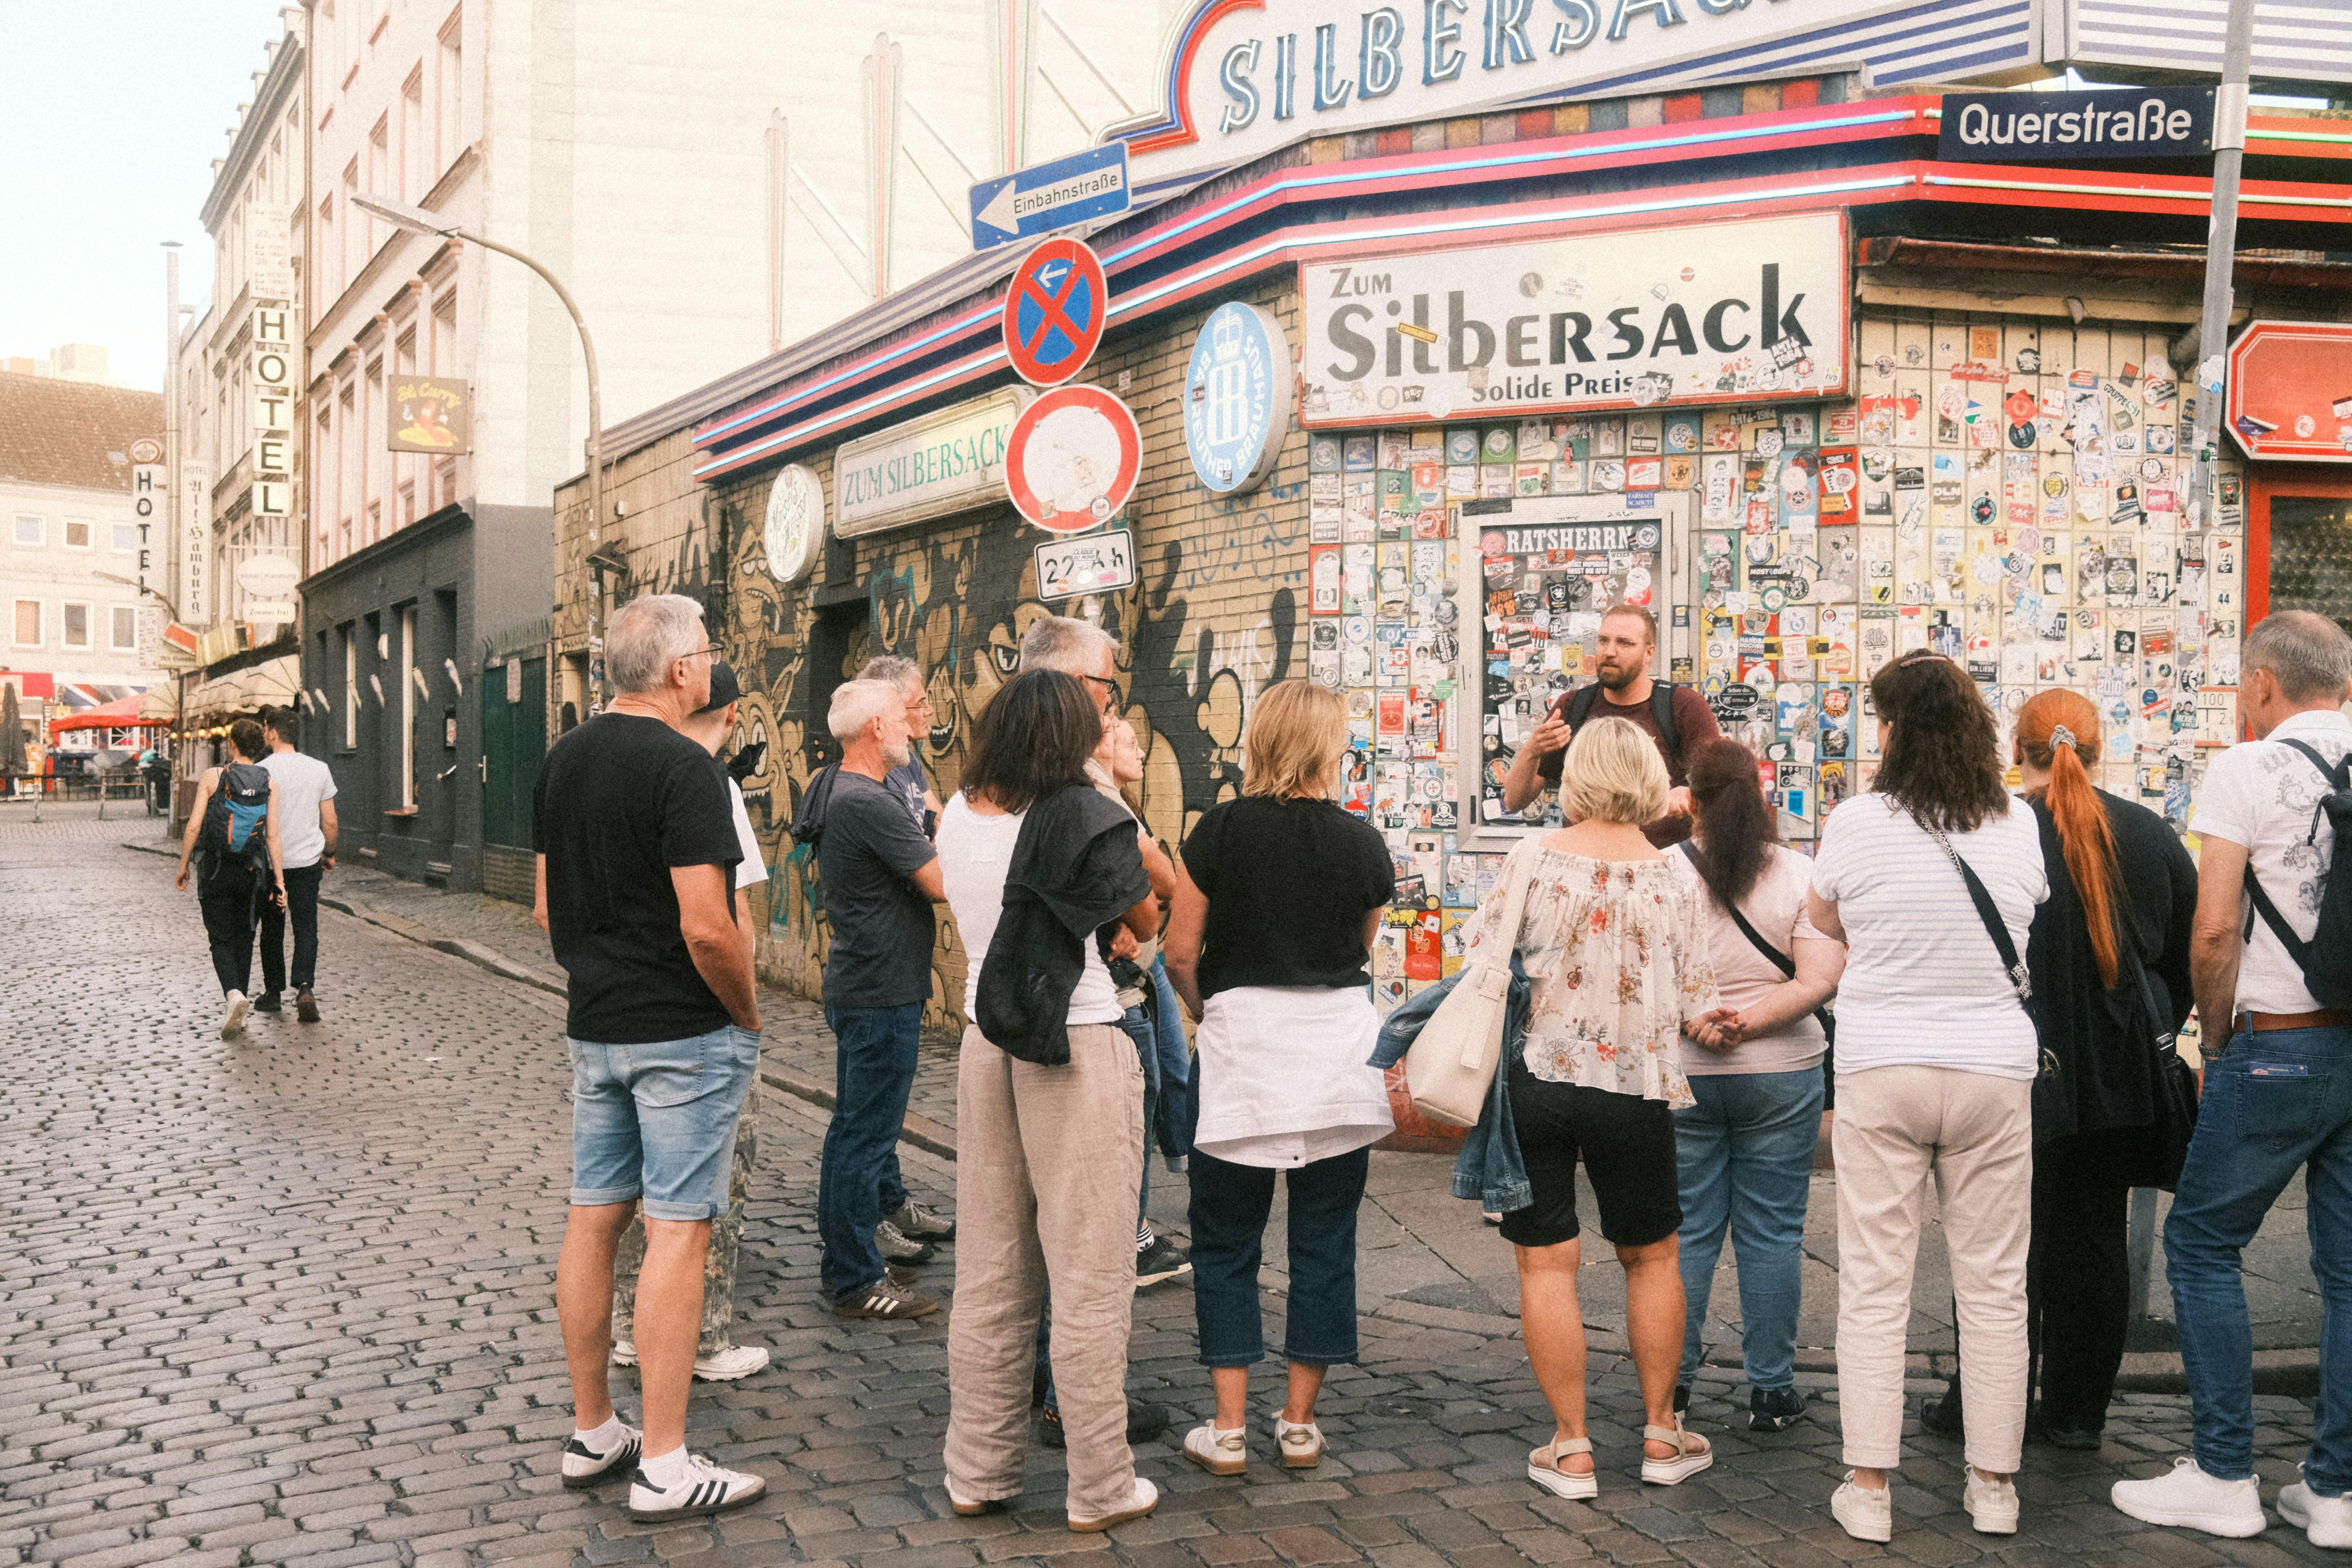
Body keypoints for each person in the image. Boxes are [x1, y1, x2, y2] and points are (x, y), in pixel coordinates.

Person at [2115, 610, 2352, 1548]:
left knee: (2204, 1244)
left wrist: (2214, 1043)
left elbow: (2213, 928)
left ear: (2263, 683)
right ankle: (2332, 1492)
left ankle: (2221, 1472)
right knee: (2346, 1274)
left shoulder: (2247, 768)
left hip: (2279, 1043)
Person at [532, 593, 766, 1524]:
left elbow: (550, 912)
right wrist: (744, 1013)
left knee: (595, 1220)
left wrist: (600, 980)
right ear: (679, 672)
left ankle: (596, 1429)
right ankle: (666, 1463)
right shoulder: (688, 769)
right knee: (679, 1228)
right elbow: (708, 925)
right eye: (707, 651)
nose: (711, 664)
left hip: (598, 1025)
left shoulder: (563, 760)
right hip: (683, 1030)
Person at [1807, 650, 2047, 1543]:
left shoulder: (1855, 823)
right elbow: (2031, 913)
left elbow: (1825, 919)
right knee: (1993, 1287)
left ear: (1894, 730)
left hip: (1881, 1065)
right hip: (1991, 1066)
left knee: (1874, 1280)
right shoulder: (2017, 823)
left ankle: (1868, 1487)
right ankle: (1993, 1485)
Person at [1922, 691, 2194, 1450]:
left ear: (2017, 749)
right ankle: (2079, 1413)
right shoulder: (2149, 834)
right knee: (2096, 1237)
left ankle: (1981, 1404)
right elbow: (2181, 955)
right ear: (2101, 750)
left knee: (2000, 1246)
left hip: (2013, 1060)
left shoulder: (1990, 829)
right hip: (2118, 1069)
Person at [1463, 716, 1723, 1500]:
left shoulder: (1532, 856)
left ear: (1575, 775)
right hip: (1633, 1086)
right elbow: (1696, 997)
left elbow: (1483, 956)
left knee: (1547, 1261)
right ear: (1649, 778)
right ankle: (1660, 1433)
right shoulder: (1676, 873)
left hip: (1537, 1080)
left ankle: (1572, 1448)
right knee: (1652, 1256)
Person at [936, 669, 1162, 1533]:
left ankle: (976, 1470)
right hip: (1075, 1044)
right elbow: (1138, 920)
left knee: (990, 1271)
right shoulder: (1079, 814)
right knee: (1089, 1274)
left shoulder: (958, 813)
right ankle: (1101, 1483)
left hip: (984, 1042)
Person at [1163, 679, 1395, 1476]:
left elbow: (1179, 952)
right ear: (1329, 746)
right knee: (1324, 1240)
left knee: (1226, 1242)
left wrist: (1212, 1010)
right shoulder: (1363, 843)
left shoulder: (1219, 831)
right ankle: (1298, 1423)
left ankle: (1228, 1428)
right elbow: (1359, 949)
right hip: (1336, 1057)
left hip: (1244, 1058)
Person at [1670, 738, 1843, 1433]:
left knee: (1685, 1233)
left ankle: (1671, 1389)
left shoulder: (1660, 873)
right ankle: (1771, 1391)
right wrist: (1749, 1022)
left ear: (1692, 798)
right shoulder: (1801, 873)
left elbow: (1641, 981)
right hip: (1784, 1075)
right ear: (1761, 793)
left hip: (1685, 1072)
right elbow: (1820, 979)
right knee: (1773, 1234)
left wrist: (1704, 1021)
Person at [609, 660, 773, 1383]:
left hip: (614, 1018)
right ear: (732, 715)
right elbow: (731, 917)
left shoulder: (615, 770)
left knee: (624, 1196)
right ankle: (704, 1339)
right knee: (711, 1194)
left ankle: (625, 1331)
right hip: (699, 1021)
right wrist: (747, 1012)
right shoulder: (709, 783)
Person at [813, 677, 954, 1320]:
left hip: (868, 984)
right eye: (901, 716)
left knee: (855, 1133)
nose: (908, 725)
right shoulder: (869, 802)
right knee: (865, 1138)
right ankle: (854, 1279)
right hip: (879, 991)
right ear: (874, 727)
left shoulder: (847, 792)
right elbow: (939, 881)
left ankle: (850, 1263)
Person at [1499, 602, 1722, 845]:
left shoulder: (1683, 706)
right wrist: (1532, 750)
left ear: (1650, 652)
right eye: (1604, 641)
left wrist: (1689, 793)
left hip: (1655, 867)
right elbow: (1514, 802)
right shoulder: (1573, 706)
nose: (1609, 651)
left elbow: (1720, 790)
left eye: (1624, 643)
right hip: (1584, 865)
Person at [175, 716, 289, 1040]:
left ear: (232, 744)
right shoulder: (271, 782)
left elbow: (195, 826)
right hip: (254, 873)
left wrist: (184, 865)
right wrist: (280, 882)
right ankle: (239, 1000)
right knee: (245, 936)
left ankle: (234, 995)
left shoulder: (214, 777)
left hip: (217, 869)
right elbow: (273, 836)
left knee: (220, 937)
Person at [254, 707, 337, 1023]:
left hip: (270, 863)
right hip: (306, 862)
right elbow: (329, 820)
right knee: (306, 926)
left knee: (272, 927)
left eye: (266, 730)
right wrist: (329, 852)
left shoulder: (261, 771)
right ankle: (304, 986)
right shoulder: (319, 769)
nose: (265, 735)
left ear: (273, 733)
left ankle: (273, 993)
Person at [856, 655, 944, 835]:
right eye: (921, 703)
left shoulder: (906, 758)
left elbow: (940, 818)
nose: (930, 711)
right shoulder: (875, 777)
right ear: (894, 708)